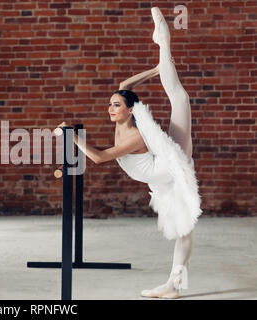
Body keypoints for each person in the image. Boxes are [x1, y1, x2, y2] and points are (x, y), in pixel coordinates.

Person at [57, 7, 202, 299]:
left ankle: (165, 41)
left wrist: (72, 134)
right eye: (110, 105)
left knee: (180, 98)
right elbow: (125, 86)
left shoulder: (136, 135)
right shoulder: (125, 112)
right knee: (184, 230)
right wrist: (156, 70)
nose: (111, 109)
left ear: (130, 109)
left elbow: (98, 157)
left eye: (116, 106)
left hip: (169, 166)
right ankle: (175, 286)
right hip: (160, 181)